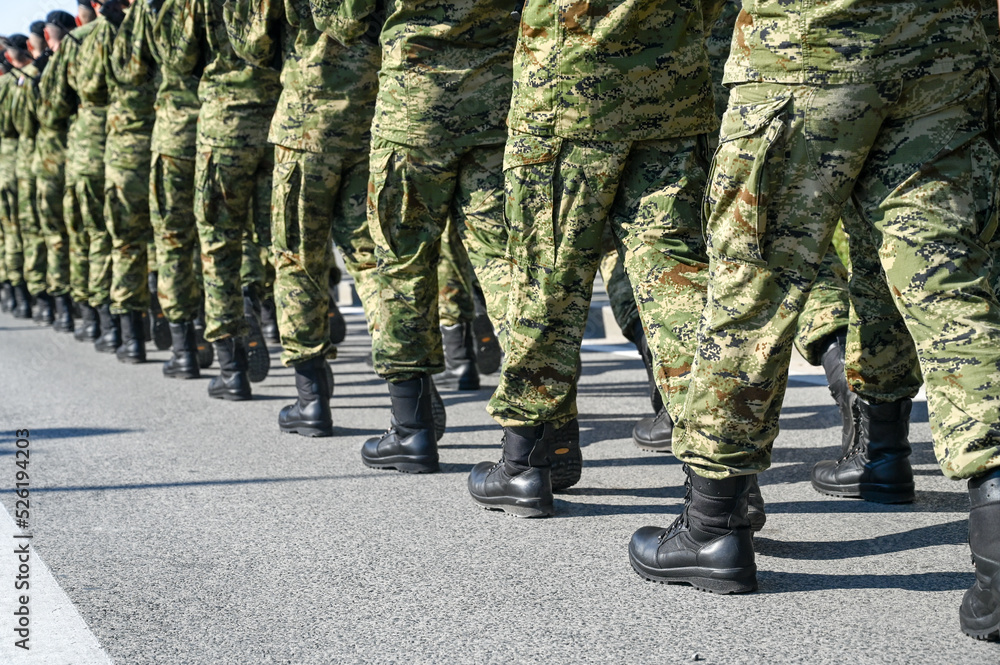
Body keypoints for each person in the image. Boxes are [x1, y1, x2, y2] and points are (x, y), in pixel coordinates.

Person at [628, 1, 1000, 642]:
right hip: (943, 42)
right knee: (951, 288)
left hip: (808, 47)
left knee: (753, 286)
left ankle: (714, 524)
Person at [224, 0, 380, 435]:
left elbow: (253, 44)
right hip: (371, 119)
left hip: (306, 126)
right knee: (374, 261)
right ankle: (411, 394)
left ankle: (312, 401)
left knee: (297, 261)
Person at [158, 0, 280, 401]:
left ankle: (232, 369)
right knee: (287, 244)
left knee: (218, 247)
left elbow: (176, 59)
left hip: (225, 127)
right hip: (280, 117)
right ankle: (312, 380)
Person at [147, 0, 208, 379]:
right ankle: (239, 336)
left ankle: (185, 347)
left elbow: (134, 69)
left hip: (175, 134)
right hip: (227, 125)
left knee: (173, 242)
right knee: (225, 240)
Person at [34, 10, 80, 334]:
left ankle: (69, 311)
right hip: (88, 155)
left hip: (56, 160)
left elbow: (47, 113)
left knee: (57, 238)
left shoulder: (60, 60)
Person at [9, 23, 52, 325]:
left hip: (24, 162)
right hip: (48, 158)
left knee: (21, 233)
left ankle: (27, 298)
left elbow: (20, 123)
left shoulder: (16, 83)